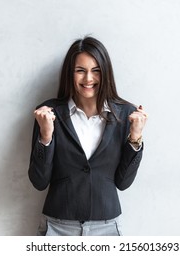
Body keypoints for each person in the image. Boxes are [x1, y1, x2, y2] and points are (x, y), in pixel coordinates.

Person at [28, 36, 148, 236]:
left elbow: (123, 182)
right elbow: (39, 181)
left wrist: (135, 138)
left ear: (105, 73)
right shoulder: (49, 114)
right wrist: (46, 136)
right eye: (80, 71)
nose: (88, 79)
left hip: (107, 229)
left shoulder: (126, 115)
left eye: (96, 71)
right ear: (70, 74)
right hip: (58, 228)